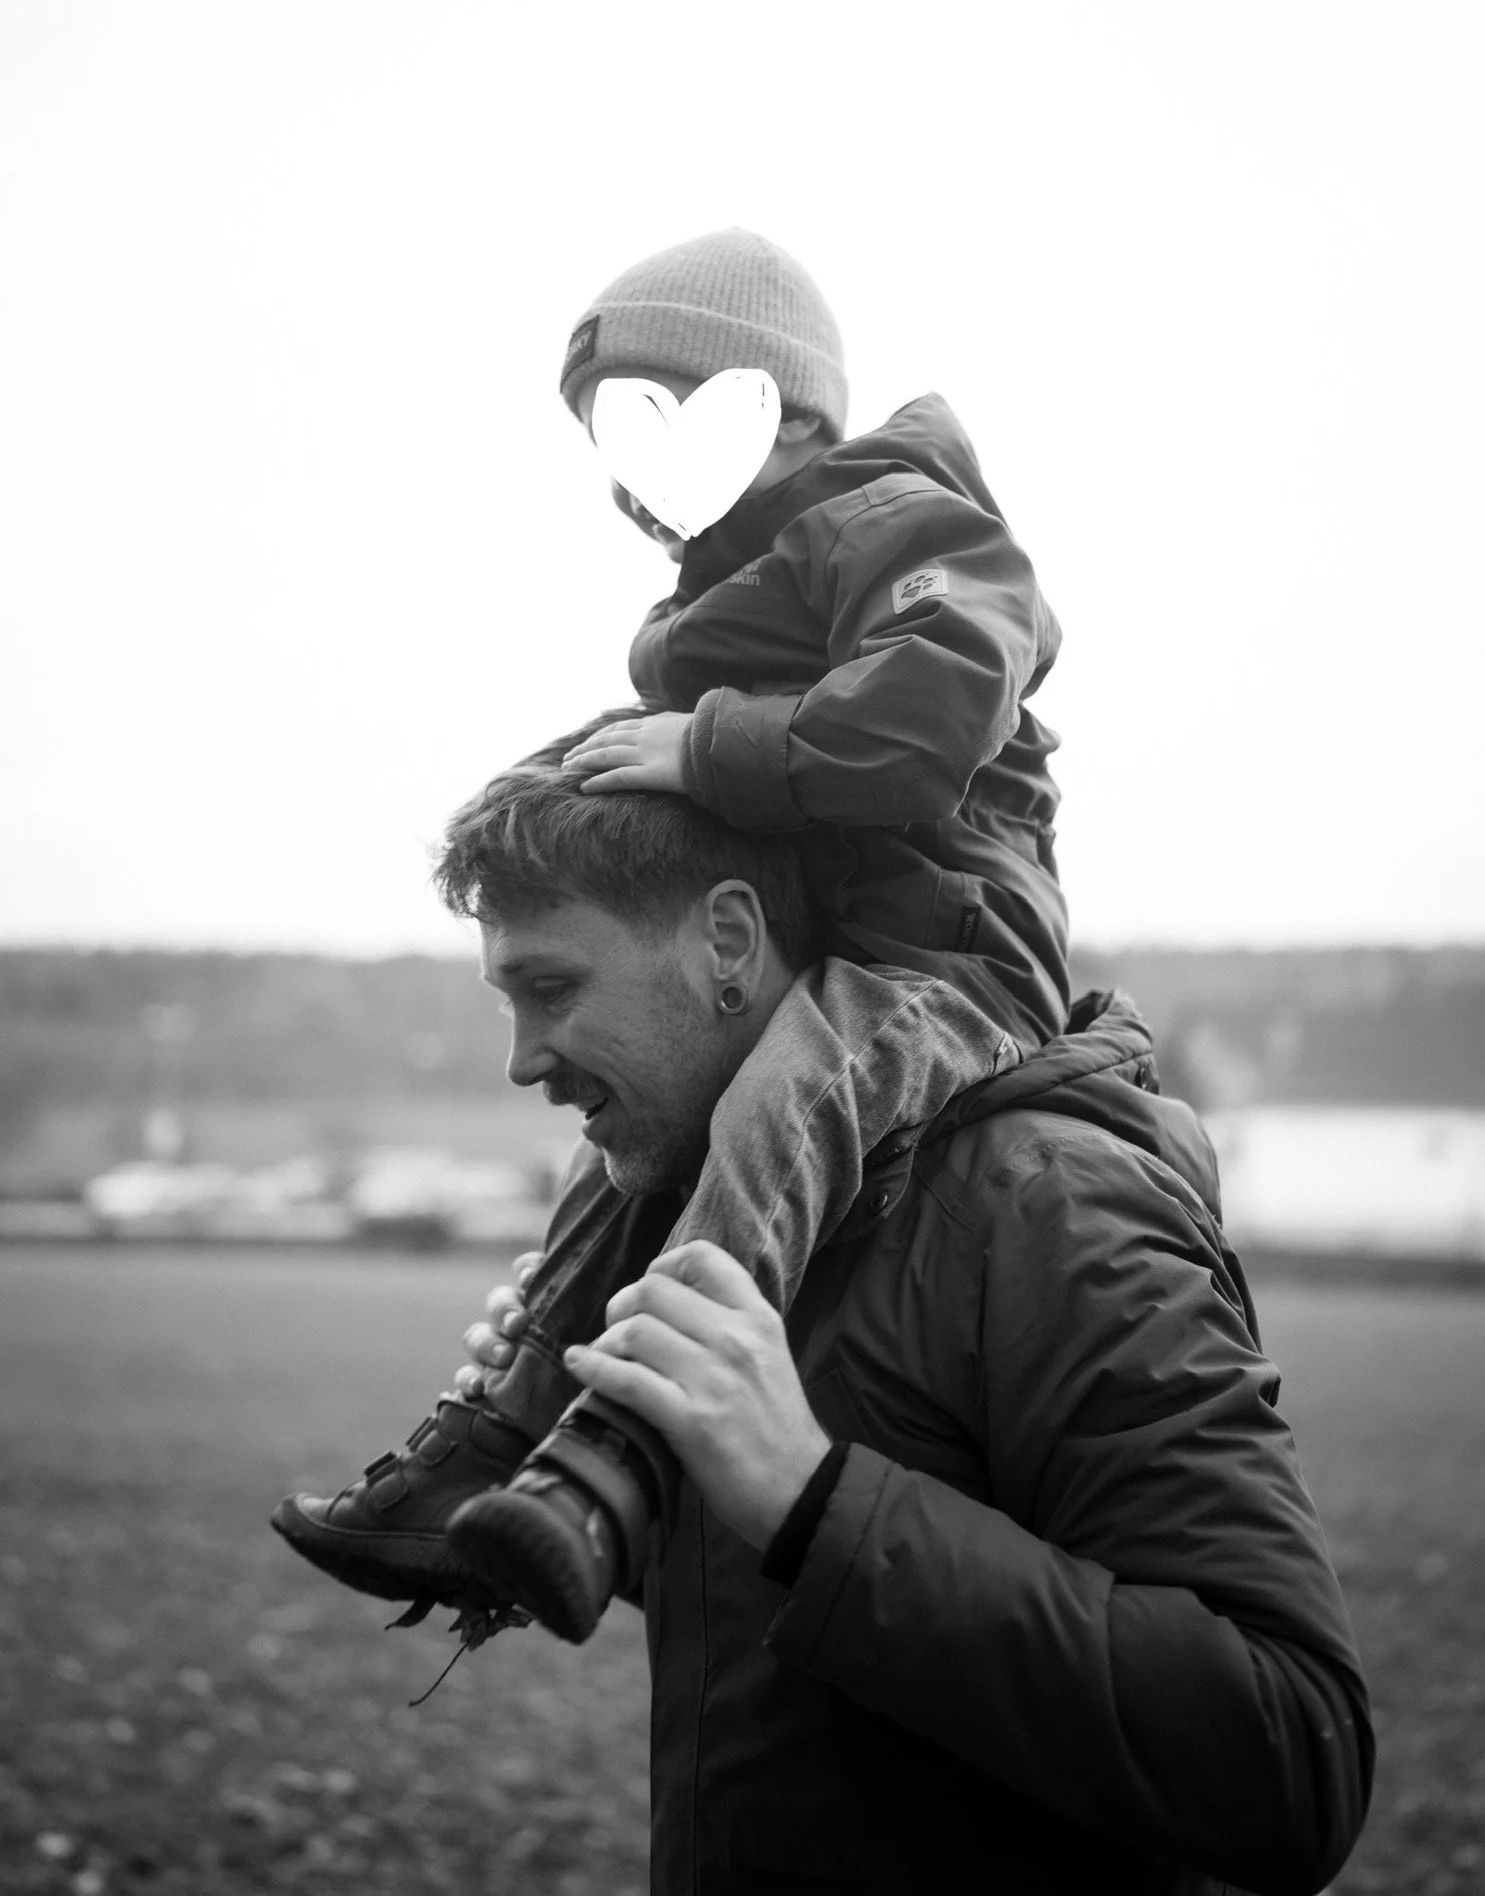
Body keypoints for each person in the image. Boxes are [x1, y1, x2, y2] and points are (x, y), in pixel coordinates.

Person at [273, 228, 1070, 1642]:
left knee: (781, 1101)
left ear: (785, 410)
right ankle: (497, 1433)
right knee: (621, 1153)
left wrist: (706, 747)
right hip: (832, 942)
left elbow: (929, 716)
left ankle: (616, 1455)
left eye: (665, 421)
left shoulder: (904, 521)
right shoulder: (729, 596)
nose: (636, 475)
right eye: (613, 438)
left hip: (945, 960)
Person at [445, 753, 1369, 1893]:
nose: (521, 1059)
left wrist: (811, 1498)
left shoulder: (1051, 1207)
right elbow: (814, 1641)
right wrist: (615, 1492)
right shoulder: (715, 1220)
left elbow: (1291, 1758)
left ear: (727, 941)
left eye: (551, 987)